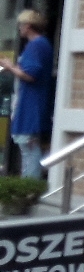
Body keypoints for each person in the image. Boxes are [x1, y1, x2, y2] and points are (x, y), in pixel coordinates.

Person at [0, 10, 53, 179]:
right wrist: (11, 67)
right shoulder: (41, 44)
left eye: (21, 25)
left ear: (28, 26)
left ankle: (30, 188)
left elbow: (30, 75)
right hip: (32, 104)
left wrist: (9, 66)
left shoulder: (36, 45)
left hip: (30, 106)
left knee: (28, 149)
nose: (19, 28)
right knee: (28, 149)